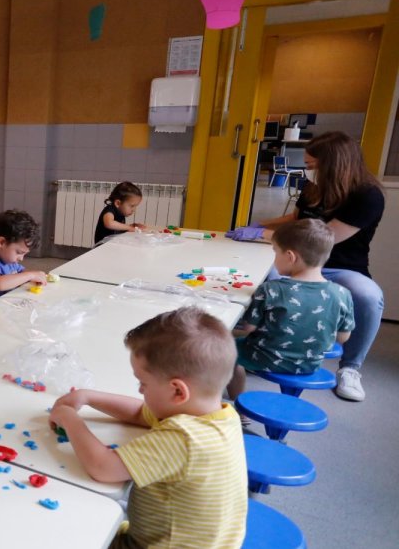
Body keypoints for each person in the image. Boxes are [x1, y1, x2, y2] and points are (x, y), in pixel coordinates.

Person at [50, 308, 246, 549]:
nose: (140, 391)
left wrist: (70, 420)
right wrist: (88, 396)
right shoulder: (219, 415)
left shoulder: (184, 438)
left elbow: (103, 468)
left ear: (177, 391)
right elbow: (140, 413)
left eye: (143, 383)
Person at [226, 131, 384, 401]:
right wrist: (259, 224)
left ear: (334, 165)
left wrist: (263, 236)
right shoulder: (314, 187)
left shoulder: (367, 196)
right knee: (270, 282)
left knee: (369, 297)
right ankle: (268, 346)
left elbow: (322, 239)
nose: (307, 171)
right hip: (297, 260)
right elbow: (296, 218)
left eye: (312, 166)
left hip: (338, 266)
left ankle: (350, 368)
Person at [227, 218, 354, 402]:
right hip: (310, 364)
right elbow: (343, 338)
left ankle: (238, 402)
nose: (275, 258)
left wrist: (228, 330)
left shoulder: (271, 289)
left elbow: (249, 330)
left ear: (290, 256)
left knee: (227, 348)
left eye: (275, 253)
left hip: (264, 358)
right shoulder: (343, 294)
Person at [0, 209, 47, 308]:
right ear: (1, 243)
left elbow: (21, 272)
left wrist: (36, 276)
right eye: (19, 253)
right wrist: (30, 275)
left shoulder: (8, 259)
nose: (21, 258)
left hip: (5, 308)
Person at [94, 181, 146, 245]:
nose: (134, 210)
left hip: (112, 245)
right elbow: (109, 223)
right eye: (132, 206)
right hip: (102, 248)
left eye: (135, 206)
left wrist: (132, 226)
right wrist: (129, 227)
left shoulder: (121, 212)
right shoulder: (110, 210)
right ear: (118, 203)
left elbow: (118, 228)